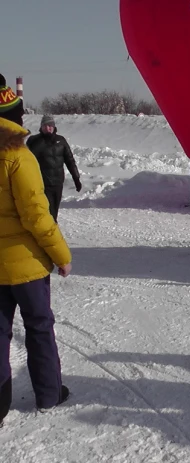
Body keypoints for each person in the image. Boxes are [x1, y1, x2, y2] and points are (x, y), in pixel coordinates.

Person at [0, 75, 73, 427]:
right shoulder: (18, 154)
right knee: (39, 327)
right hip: (25, 267)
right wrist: (60, 255)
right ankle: (48, 394)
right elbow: (36, 214)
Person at [26, 114, 81, 222]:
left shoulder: (61, 141)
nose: (47, 128)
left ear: (54, 126)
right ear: (41, 127)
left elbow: (70, 160)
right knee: (47, 211)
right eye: (45, 125)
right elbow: (27, 162)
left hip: (58, 183)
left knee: (54, 211)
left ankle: (51, 229)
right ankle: (49, 233)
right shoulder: (34, 141)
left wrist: (76, 178)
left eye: (50, 125)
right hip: (42, 184)